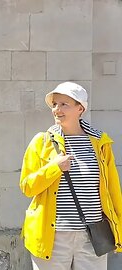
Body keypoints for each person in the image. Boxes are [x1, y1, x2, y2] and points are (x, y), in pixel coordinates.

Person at [20, 82, 122, 269]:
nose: (57, 109)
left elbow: (113, 191)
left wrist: (119, 229)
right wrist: (53, 168)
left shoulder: (100, 143)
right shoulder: (42, 142)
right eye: (54, 104)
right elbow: (27, 187)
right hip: (53, 236)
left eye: (64, 104)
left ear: (80, 108)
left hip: (92, 237)